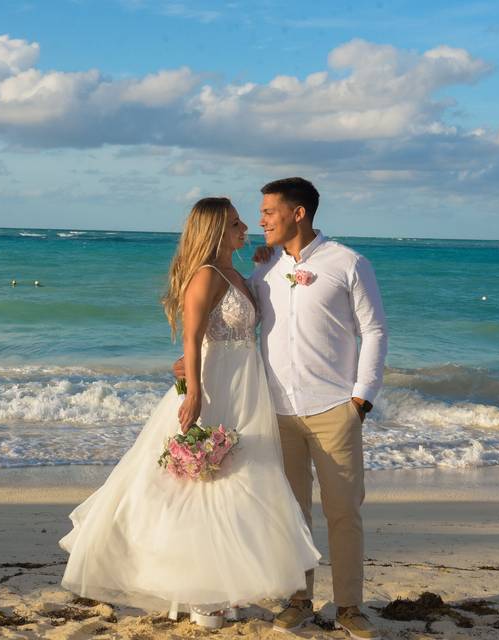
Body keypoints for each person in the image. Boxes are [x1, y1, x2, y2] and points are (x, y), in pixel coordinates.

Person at [60, 197, 320, 629]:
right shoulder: (206, 275)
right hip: (215, 385)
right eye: (236, 224)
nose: (246, 229)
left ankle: (225, 585)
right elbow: (192, 336)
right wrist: (194, 392)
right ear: (216, 231)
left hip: (244, 386)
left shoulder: (235, 271)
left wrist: (269, 257)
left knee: (238, 484)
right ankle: (203, 593)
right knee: (203, 484)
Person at [250, 177, 387, 639]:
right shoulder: (263, 267)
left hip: (335, 408)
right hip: (278, 411)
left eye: (269, 211)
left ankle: (350, 607)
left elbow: (374, 331)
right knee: (291, 512)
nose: (261, 219)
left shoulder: (349, 262)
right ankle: (299, 599)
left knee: (343, 511)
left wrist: (362, 396)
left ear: (299, 213)